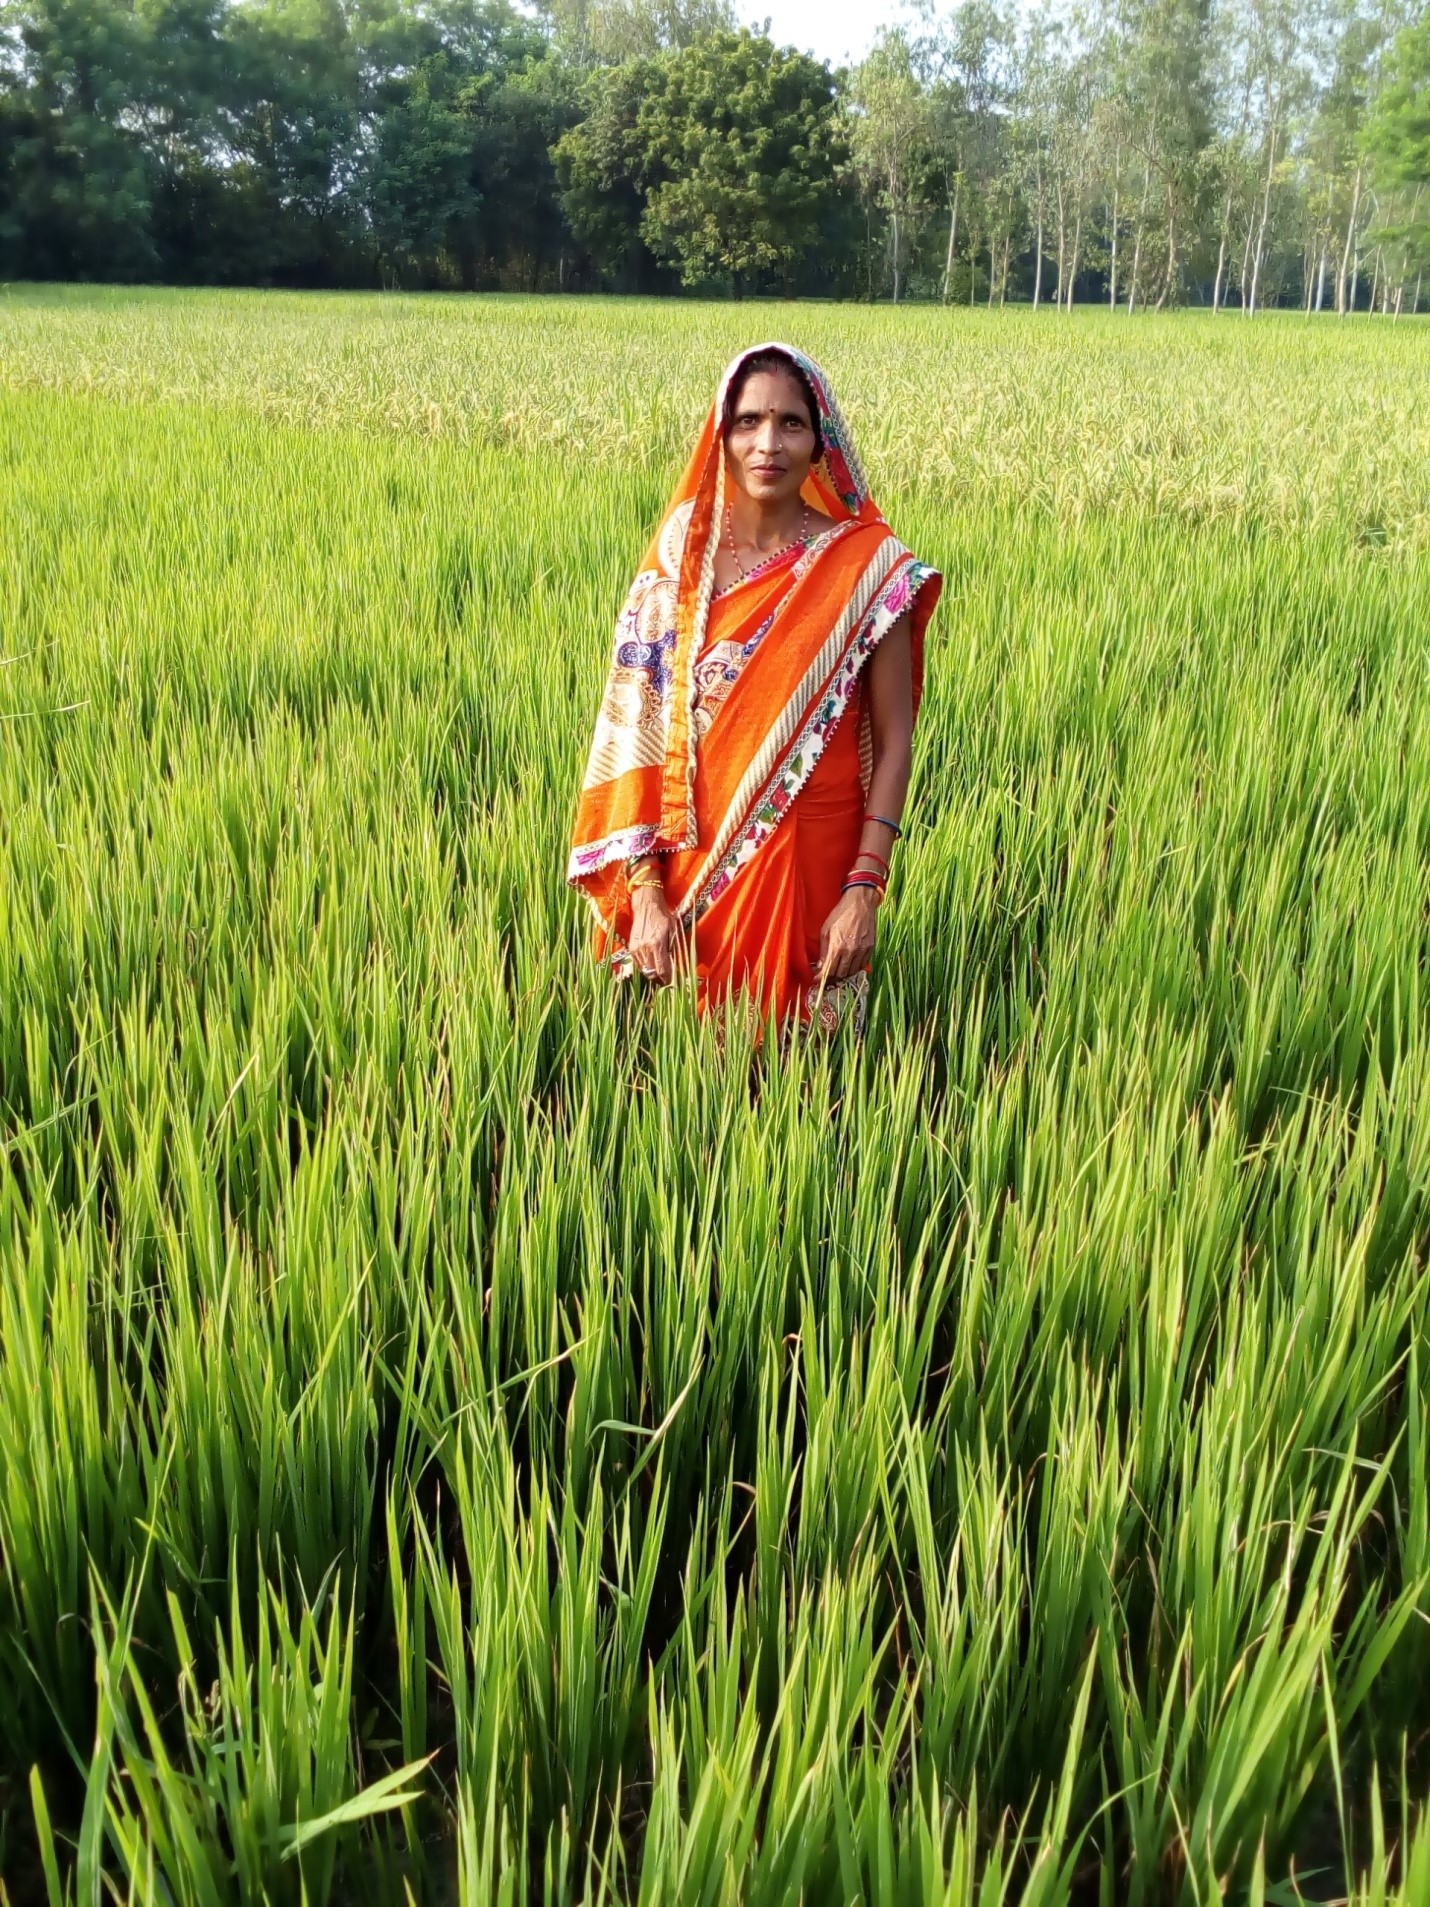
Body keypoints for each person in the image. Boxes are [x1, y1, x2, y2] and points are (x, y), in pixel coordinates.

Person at [568, 343, 941, 1030]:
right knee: (678, 1077)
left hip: (811, 865)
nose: (768, 442)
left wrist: (865, 889)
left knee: (803, 1089)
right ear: (721, 430)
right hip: (687, 872)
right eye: (748, 421)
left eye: (791, 423)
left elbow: (895, 745)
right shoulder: (680, 559)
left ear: (819, 438)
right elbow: (634, 731)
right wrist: (645, 890)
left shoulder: (869, 571)